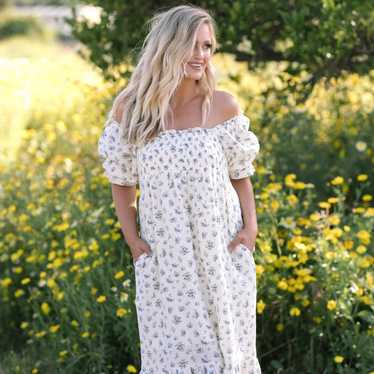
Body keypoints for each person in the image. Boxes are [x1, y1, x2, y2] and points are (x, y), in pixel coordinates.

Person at [97, 4, 261, 373]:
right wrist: (133, 240)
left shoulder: (222, 106)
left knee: (227, 355)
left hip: (220, 250)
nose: (201, 55)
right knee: (174, 354)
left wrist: (250, 229)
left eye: (208, 47)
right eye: (193, 45)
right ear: (168, 45)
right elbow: (121, 179)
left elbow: (241, 175)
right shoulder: (132, 109)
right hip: (168, 258)